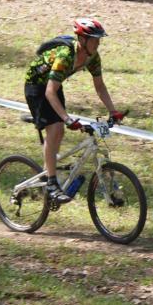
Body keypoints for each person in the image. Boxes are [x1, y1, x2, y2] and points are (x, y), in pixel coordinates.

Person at [24, 18, 126, 203]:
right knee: (55, 128)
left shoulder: (93, 56)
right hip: (37, 86)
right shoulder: (66, 55)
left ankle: (48, 168)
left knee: (59, 131)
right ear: (82, 40)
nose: (98, 44)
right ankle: (51, 183)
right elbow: (49, 92)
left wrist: (113, 111)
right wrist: (67, 118)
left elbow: (100, 86)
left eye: (99, 40)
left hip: (54, 85)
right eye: (94, 39)